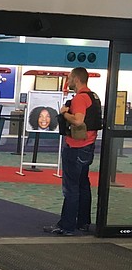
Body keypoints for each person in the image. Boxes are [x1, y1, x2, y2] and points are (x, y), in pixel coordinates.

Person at [44, 67, 102, 236]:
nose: (67, 82)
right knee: (83, 185)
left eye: (69, 78)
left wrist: (64, 113)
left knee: (71, 188)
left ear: (76, 79)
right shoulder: (94, 97)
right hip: (88, 147)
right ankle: (83, 222)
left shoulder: (80, 99)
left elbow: (78, 121)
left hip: (76, 148)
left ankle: (66, 226)